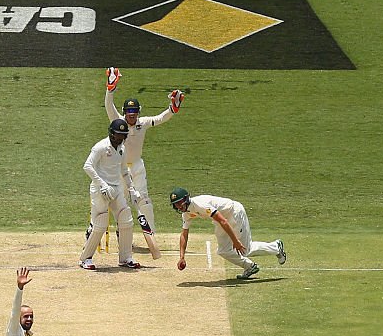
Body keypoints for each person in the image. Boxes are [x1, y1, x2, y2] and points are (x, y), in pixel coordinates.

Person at [103, 67, 184, 237]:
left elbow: (160, 118)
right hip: (120, 168)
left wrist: (172, 109)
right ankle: (122, 233)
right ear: (124, 112)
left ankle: (150, 234)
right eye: (128, 111)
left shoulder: (143, 123)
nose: (131, 115)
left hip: (138, 166)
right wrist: (110, 89)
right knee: (121, 201)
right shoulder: (118, 122)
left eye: (134, 111)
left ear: (138, 112)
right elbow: (109, 106)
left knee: (144, 200)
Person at [170, 187, 286, 280]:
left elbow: (223, 221)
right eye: (176, 204)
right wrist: (182, 257)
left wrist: (236, 241)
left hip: (234, 213)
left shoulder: (200, 205)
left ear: (186, 199)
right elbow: (184, 234)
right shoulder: (186, 213)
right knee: (223, 251)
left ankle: (276, 247)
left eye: (180, 202)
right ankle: (250, 267)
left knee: (246, 249)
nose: (179, 206)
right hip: (220, 219)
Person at [79, 119, 141, 270]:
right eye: (118, 135)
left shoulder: (122, 149)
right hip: (100, 190)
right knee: (100, 224)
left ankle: (126, 258)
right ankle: (85, 258)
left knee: (126, 219)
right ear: (112, 134)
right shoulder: (100, 147)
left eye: (123, 135)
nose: (120, 138)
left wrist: (132, 189)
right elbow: (87, 166)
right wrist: (102, 184)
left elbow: (124, 171)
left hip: (116, 188)